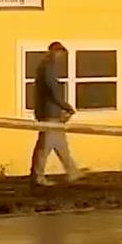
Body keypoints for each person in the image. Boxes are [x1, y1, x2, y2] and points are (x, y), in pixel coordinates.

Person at [30, 41, 83, 187]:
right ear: (56, 53)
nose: (61, 59)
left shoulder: (44, 67)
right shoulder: (48, 67)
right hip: (49, 112)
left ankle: (72, 171)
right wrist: (66, 106)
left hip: (49, 111)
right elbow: (53, 91)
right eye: (61, 55)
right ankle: (38, 176)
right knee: (45, 145)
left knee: (60, 144)